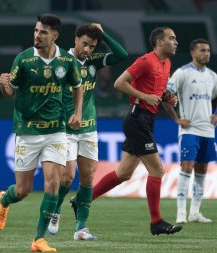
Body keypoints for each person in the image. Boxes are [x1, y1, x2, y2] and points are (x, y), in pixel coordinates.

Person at [77, 27, 183, 235]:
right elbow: (119, 83)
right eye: (172, 38)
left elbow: (156, 92)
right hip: (137, 119)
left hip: (147, 119)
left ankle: (82, 200)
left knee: (124, 173)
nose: (176, 42)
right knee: (157, 171)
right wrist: (144, 96)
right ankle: (156, 222)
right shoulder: (145, 61)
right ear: (159, 43)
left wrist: (166, 98)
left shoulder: (167, 63)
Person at [0, 14, 83, 252]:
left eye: (43, 32)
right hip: (27, 130)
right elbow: (10, 93)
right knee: (22, 190)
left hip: (56, 131)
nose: (37, 35)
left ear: (54, 35)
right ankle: (4, 199)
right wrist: (4, 85)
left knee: (53, 183)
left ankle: (38, 239)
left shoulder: (66, 60)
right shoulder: (23, 60)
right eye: (36, 31)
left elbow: (77, 86)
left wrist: (77, 112)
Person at [47, 23, 128, 240]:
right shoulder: (61, 60)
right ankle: (55, 209)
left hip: (89, 128)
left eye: (92, 46)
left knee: (88, 178)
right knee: (66, 178)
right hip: (66, 129)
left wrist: (104, 34)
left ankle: (80, 228)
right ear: (75, 40)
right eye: (84, 44)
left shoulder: (92, 61)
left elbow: (122, 54)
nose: (88, 50)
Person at [163, 39, 217, 224]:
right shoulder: (182, 73)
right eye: (202, 50)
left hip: (208, 131)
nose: (206, 53)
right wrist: (176, 119)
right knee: (186, 168)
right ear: (192, 53)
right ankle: (181, 212)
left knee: (202, 170)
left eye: (208, 50)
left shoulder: (212, 76)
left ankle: (195, 212)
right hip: (189, 130)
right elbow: (166, 96)